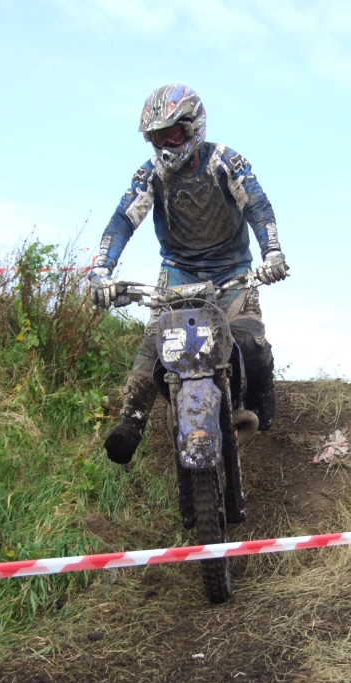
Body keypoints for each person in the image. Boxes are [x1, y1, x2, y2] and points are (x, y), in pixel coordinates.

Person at [89, 83, 289, 467]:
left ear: (194, 127)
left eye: (173, 134)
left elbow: (258, 205)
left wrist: (273, 252)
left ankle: (262, 401)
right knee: (154, 344)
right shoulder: (150, 175)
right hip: (178, 273)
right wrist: (101, 269)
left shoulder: (225, 161)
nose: (166, 145)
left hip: (232, 272)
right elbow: (123, 219)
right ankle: (130, 422)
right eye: (157, 138)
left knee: (250, 341)